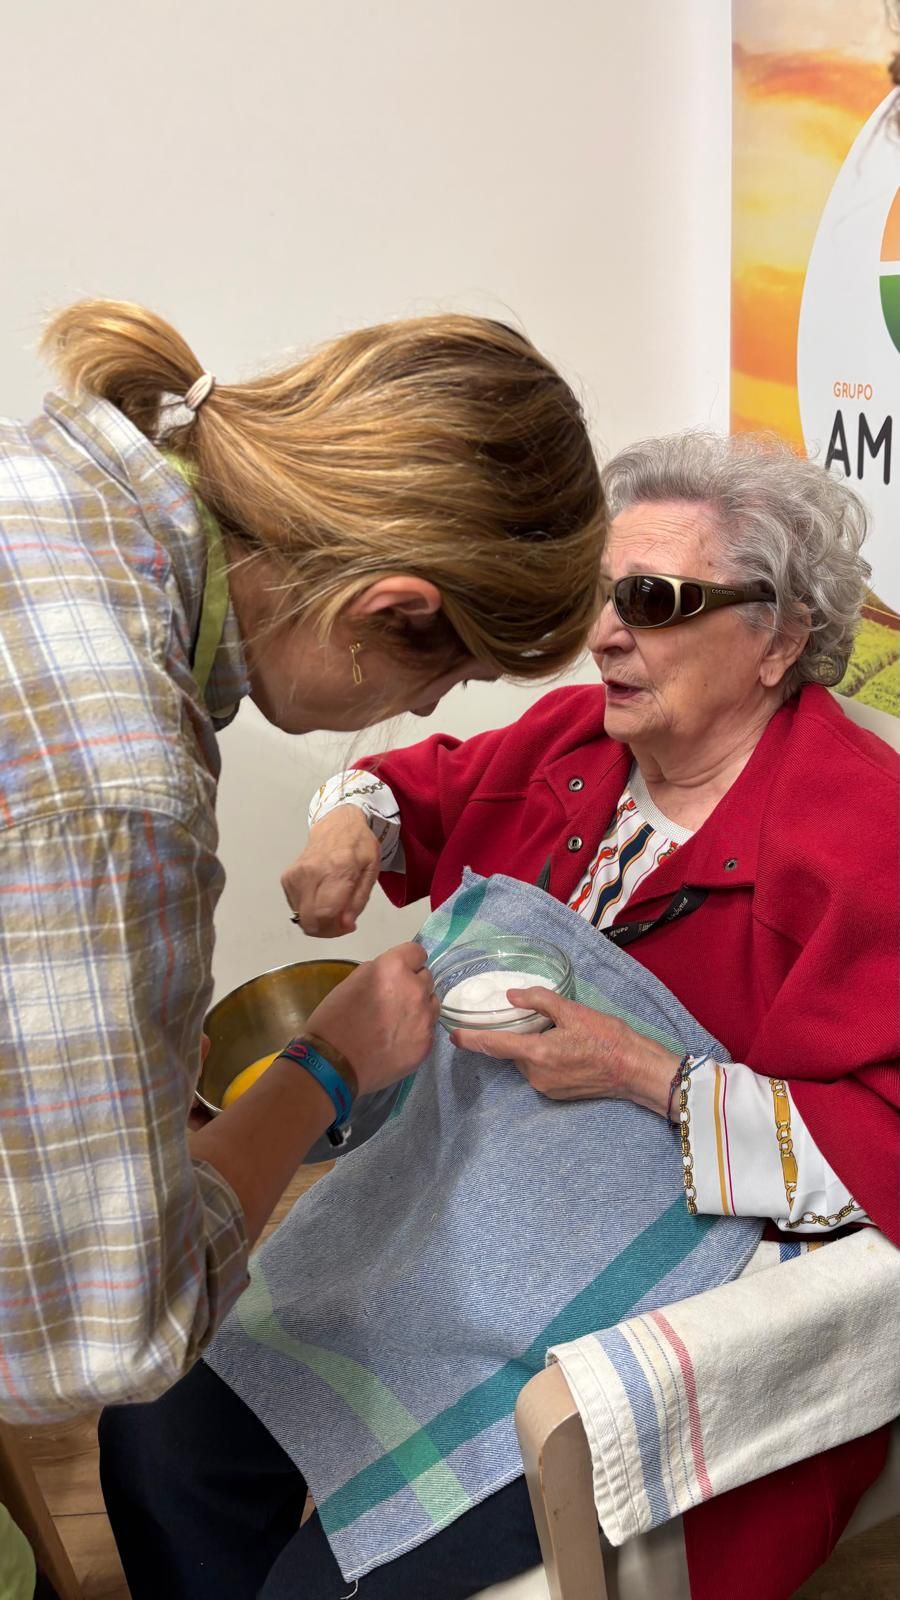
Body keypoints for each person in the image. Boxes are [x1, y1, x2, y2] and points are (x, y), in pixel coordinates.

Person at [98, 431, 898, 1600]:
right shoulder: (582, 743)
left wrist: (651, 1075)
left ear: (777, 638)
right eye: (602, 595)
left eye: (655, 600)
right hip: (456, 1229)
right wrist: (351, 831)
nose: (607, 633)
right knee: (155, 1433)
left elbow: (879, 1146)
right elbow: (415, 784)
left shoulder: (865, 841)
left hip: (651, 1323)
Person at [0, 299, 604, 1436]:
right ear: (392, 609)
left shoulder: (46, 482)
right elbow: (105, 1331)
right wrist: (326, 1065)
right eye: (450, 676)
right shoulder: (119, 783)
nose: (424, 710)